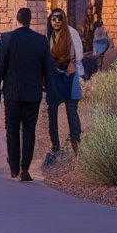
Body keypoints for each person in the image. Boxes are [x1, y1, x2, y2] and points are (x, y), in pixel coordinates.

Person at [0, 7, 53, 182]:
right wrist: (49, 90)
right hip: (32, 93)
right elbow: (48, 69)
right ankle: (25, 168)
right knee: (29, 130)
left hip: (12, 92)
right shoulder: (41, 41)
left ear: (16, 20)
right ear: (30, 20)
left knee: (12, 129)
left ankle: (13, 169)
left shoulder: (8, 38)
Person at [46, 8, 83, 157]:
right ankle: (55, 143)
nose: (56, 22)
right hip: (54, 76)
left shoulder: (71, 33)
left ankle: (76, 140)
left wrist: (76, 69)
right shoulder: (48, 34)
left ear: (63, 19)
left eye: (59, 19)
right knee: (52, 110)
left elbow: (78, 54)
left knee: (71, 108)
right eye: (53, 19)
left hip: (69, 75)